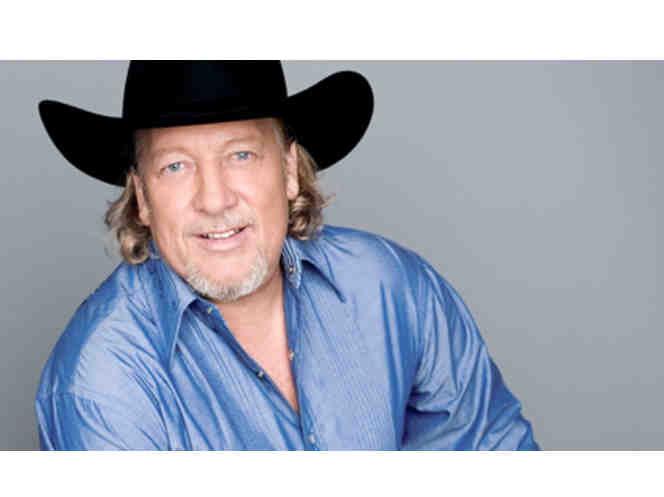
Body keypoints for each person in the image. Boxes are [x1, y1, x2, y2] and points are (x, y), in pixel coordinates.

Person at [36, 61, 539, 450]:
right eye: (175, 166)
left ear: (290, 170)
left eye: (241, 155)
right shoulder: (102, 381)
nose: (214, 199)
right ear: (143, 198)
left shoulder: (391, 290)